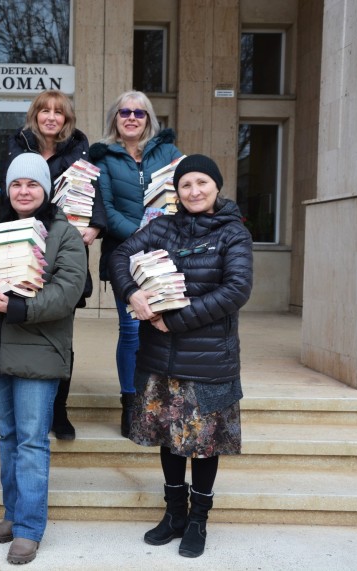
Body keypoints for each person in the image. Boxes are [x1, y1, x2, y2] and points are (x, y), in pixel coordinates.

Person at [109, 155, 253, 558]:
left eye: (202, 182)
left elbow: (236, 290)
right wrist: (131, 293)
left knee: (204, 445)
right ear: (177, 190)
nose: (194, 191)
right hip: (160, 358)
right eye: (186, 184)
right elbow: (119, 256)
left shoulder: (233, 233)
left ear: (216, 186)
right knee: (169, 438)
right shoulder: (162, 228)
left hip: (208, 360)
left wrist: (177, 322)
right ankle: (173, 514)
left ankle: (198, 521)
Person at [0, 153, 87, 565]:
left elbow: (68, 289)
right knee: (8, 438)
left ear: (45, 189)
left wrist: (17, 307)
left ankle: (29, 528)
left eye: (32, 184)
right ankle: (13, 515)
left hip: (39, 352)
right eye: (16, 184)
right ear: (7, 190)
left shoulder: (64, 232)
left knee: (30, 441)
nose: (24, 191)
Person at [6, 89, 106, 440]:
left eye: (58, 112)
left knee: (61, 337)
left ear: (66, 119)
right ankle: (27, 407)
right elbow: (8, 195)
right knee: (26, 330)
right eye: (44, 111)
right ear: (35, 115)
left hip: (65, 253)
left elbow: (97, 196)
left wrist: (95, 225)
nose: (51, 117)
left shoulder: (80, 148)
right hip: (23, 251)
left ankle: (57, 411)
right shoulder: (18, 145)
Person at [89, 90, 183, 438]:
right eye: (124, 112)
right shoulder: (104, 158)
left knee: (163, 328)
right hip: (124, 257)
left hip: (166, 258)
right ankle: (130, 404)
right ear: (115, 117)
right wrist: (142, 236)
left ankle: (155, 402)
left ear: (149, 119)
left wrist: (160, 237)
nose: (131, 118)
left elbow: (182, 195)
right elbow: (106, 208)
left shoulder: (169, 153)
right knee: (130, 330)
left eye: (139, 113)